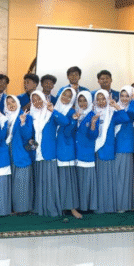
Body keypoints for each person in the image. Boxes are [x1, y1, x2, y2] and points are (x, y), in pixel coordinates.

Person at [29, 90, 67, 217]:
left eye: (39, 99)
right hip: (37, 153)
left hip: (49, 152)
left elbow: (65, 122)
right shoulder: (31, 115)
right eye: (34, 100)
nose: (37, 102)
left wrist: (53, 110)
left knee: (50, 182)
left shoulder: (51, 114)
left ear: (44, 99)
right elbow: (31, 135)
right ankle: (40, 208)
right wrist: (32, 145)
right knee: (39, 182)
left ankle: (51, 208)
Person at [93, 89, 131, 213]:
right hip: (94, 150)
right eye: (98, 99)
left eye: (103, 99)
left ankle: (107, 207)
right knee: (97, 180)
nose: (101, 101)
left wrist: (116, 106)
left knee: (106, 180)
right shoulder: (92, 113)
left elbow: (125, 118)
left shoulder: (112, 113)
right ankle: (97, 206)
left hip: (108, 149)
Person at [54, 87, 81, 219]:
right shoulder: (53, 108)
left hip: (65, 149)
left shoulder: (71, 112)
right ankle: (59, 206)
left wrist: (74, 120)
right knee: (56, 180)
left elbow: (67, 132)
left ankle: (71, 207)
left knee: (67, 181)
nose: (66, 98)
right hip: (52, 148)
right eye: (64, 94)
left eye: (69, 96)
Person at [3, 95, 33, 215]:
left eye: (13, 102)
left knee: (21, 181)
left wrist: (23, 122)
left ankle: (22, 208)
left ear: (17, 103)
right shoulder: (5, 118)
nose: (11, 105)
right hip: (8, 153)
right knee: (12, 182)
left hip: (21, 153)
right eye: (8, 103)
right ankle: (13, 207)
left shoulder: (26, 116)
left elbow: (28, 136)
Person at [113, 86, 134, 212]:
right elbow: (121, 118)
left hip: (126, 146)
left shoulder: (133, 109)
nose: (124, 98)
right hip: (116, 145)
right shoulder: (114, 108)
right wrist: (118, 108)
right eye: (122, 96)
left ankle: (123, 204)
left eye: (127, 96)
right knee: (116, 176)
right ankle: (115, 203)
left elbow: (132, 114)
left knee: (124, 177)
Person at [73, 90, 100, 213]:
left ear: (89, 101)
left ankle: (86, 206)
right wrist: (74, 119)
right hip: (75, 152)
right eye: (80, 100)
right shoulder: (75, 114)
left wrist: (93, 124)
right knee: (77, 181)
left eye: (85, 100)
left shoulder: (93, 115)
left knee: (86, 182)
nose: (82, 103)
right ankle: (78, 206)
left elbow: (93, 136)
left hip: (86, 152)